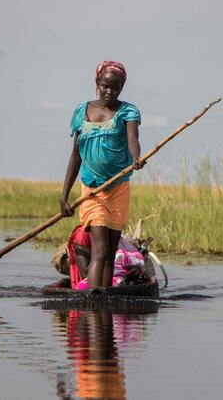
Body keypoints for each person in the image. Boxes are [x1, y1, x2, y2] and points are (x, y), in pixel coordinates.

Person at [60, 61, 145, 289]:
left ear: (122, 87)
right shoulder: (82, 111)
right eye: (105, 86)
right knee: (100, 250)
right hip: (92, 190)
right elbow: (75, 156)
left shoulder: (128, 112)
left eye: (115, 87)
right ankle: (93, 300)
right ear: (97, 83)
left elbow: (132, 140)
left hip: (118, 188)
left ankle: (104, 302)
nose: (109, 92)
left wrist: (136, 157)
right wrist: (64, 195)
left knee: (110, 254)